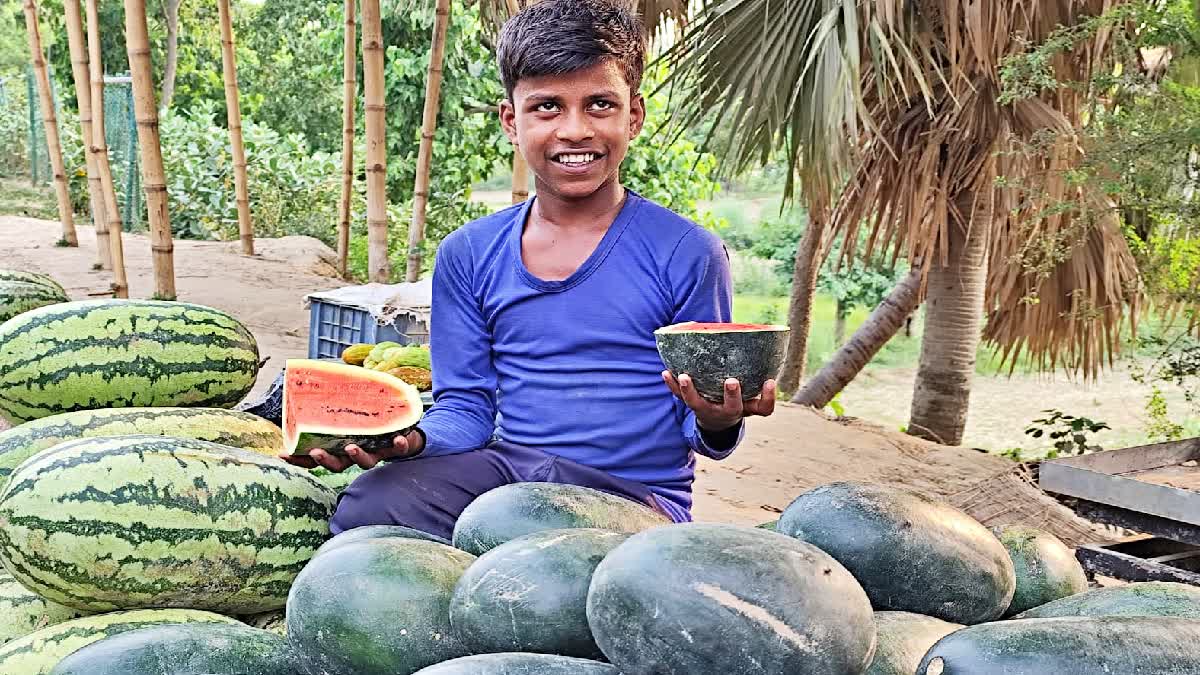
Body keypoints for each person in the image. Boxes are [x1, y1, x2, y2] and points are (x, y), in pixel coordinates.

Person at [283, 0, 776, 541]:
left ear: (633, 116)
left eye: (599, 105)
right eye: (546, 107)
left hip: (634, 496)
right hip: (506, 475)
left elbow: (699, 424)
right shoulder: (467, 254)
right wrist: (410, 440)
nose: (574, 130)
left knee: (539, 548)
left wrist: (718, 417)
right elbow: (466, 406)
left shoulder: (688, 252)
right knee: (371, 502)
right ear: (510, 121)